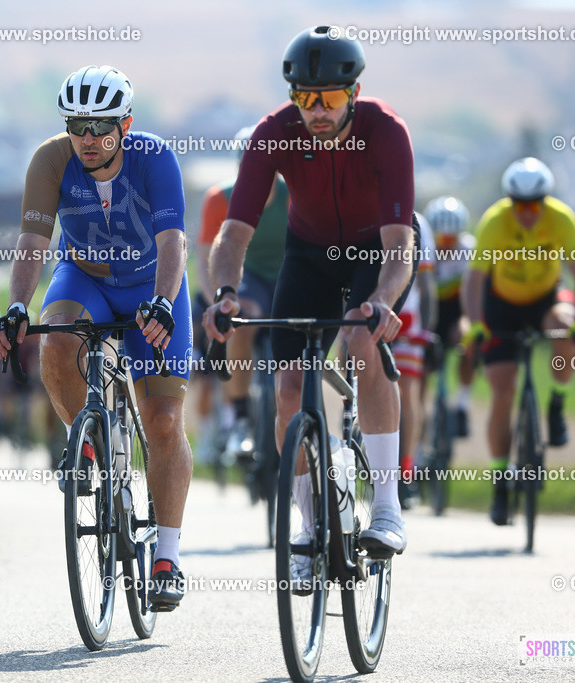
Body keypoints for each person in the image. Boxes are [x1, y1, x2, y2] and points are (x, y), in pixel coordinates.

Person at [203, 26, 417, 587]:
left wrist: (381, 301)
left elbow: (400, 242)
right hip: (310, 254)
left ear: (354, 92)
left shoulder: (386, 131)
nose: (317, 111)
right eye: (304, 97)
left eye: (330, 98)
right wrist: (225, 294)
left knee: (361, 337)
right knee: (288, 389)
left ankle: (387, 508)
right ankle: (307, 525)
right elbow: (233, 233)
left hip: (377, 251)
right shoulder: (274, 133)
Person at [0, 65, 193, 612]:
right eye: (76, 125)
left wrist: (164, 301)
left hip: (151, 285)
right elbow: (32, 240)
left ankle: (167, 558)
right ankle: (83, 441)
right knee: (57, 339)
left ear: (124, 124)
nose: (86, 137)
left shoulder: (154, 157)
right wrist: (17, 306)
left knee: (163, 420)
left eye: (100, 126)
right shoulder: (50, 160)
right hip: (85, 278)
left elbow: (172, 239)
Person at [461, 157, 575, 526]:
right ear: (510, 202)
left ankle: (557, 404)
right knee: (502, 392)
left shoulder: (562, 218)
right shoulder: (494, 221)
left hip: (546, 299)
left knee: (564, 329)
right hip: (501, 304)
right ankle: (500, 483)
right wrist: (475, 325)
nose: (527, 214)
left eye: (534, 207)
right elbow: (474, 281)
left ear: (545, 202)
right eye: (519, 206)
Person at [197, 126, 289, 466]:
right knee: (241, 318)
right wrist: (218, 303)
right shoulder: (220, 198)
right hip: (247, 277)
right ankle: (240, 419)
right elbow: (206, 260)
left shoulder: (292, 194)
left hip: (287, 274)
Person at [390, 213, 436, 508]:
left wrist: (428, 332)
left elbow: (427, 284)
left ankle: (406, 470)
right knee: (357, 388)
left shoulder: (418, 223)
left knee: (407, 392)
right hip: (365, 311)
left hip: (407, 316)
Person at [424, 196, 477, 437]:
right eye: (440, 239)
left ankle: (463, 404)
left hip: (457, 311)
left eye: (451, 239)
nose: (445, 244)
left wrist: (466, 322)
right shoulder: (422, 249)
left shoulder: (469, 250)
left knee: (469, 338)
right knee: (421, 366)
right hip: (431, 313)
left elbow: (474, 294)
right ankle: (421, 418)